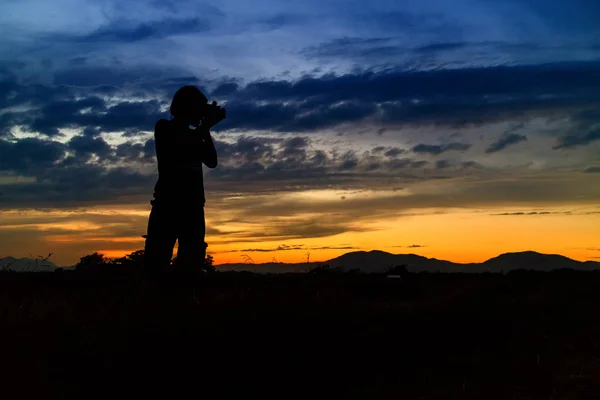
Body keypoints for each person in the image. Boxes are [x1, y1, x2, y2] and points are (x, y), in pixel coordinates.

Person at [143, 85, 225, 276]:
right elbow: (181, 144)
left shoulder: (195, 135)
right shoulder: (164, 127)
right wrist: (205, 126)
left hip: (194, 206)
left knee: (191, 261)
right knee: (157, 262)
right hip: (167, 205)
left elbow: (212, 162)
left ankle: (183, 300)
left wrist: (207, 131)